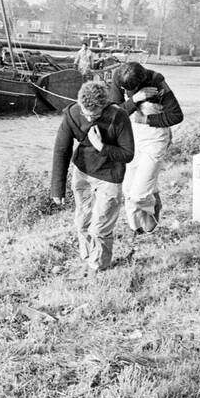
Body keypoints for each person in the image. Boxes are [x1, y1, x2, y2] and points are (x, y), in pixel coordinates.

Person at [50, 79, 135, 274]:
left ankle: (98, 267)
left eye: (94, 115)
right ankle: (88, 259)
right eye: (86, 114)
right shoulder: (72, 113)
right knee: (82, 222)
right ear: (80, 104)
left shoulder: (119, 116)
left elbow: (128, 154)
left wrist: (102, 147)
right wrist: (57, 188)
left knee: (100, 228)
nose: (89, 118)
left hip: (110, 175)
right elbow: (61, 150)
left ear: (104, 107)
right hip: (83, 172)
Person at [107, 62, 184, 232]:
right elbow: (113, 114)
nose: (126, 90)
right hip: (130, 138)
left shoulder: (157, 81)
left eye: (132, 89)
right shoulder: (118, 77)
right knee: (127, 190)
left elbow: (176, 115)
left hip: (154, 139)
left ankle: (152, 219)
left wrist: (147, 120)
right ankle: (139, 231)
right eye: (125, 88)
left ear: (141, 81)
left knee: (139, 194)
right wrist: (135, 99)